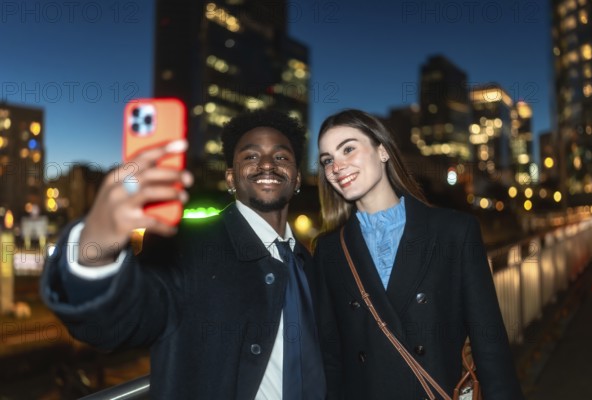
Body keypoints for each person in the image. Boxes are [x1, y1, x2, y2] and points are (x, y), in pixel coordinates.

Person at [41, 110, 326, 399]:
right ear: (230, 178)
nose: (267, 164)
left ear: (297, 178)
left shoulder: (309, 262)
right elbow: (112, 326)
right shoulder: (184, 244)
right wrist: (96, 250)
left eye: (281, 157)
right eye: (251, 157)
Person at [313, 109, 524, 400]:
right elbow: (331, 357)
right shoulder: (329, 249)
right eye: (327, 160)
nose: (337, 166)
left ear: (383, 151)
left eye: (348, 149)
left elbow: (489, 343)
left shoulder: (454, 231)